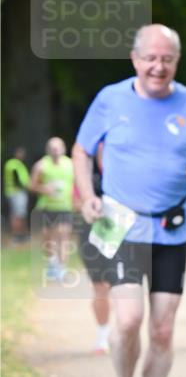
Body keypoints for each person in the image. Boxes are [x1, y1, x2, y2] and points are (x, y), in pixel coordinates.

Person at [72, 24, 186, 377]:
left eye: (167, 59)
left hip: (171, 225)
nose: (158, 66)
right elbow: (81, 150)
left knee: (161, 329)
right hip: (117, 221)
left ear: (177, 61)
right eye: (151, 58)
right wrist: (86, 196)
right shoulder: (110, 98)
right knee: (129, 320)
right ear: (135, 59)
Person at [73, 143, 112, 353]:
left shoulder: (127, 168)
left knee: (123, 287)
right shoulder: (85, 172)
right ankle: (103, 334)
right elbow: (75, 202)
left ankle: (124, 329)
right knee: (101, 287)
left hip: (123, 233)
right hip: (92, 232)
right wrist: (91, 205)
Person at [31, 137, 75, 281]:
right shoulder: (41, 165)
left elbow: (77, 185)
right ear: (48, 150)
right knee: (48, 239)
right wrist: (44, 189)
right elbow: (32, 185)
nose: (55, 150)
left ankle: (62, 269)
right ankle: (52, 263)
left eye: (58, 147)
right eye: (52, 147)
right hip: (47, 206)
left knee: (63, 236)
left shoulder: (71, 165)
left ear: (63, 149)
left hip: (65, 206)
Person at [3, 145, 30, 243]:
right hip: (16, 192)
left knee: (19, 214)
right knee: (17, 214)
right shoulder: (14, 165)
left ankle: (21, 235)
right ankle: (17, 235)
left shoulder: (16, 164)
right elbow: (18, 180)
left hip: (15, 192)